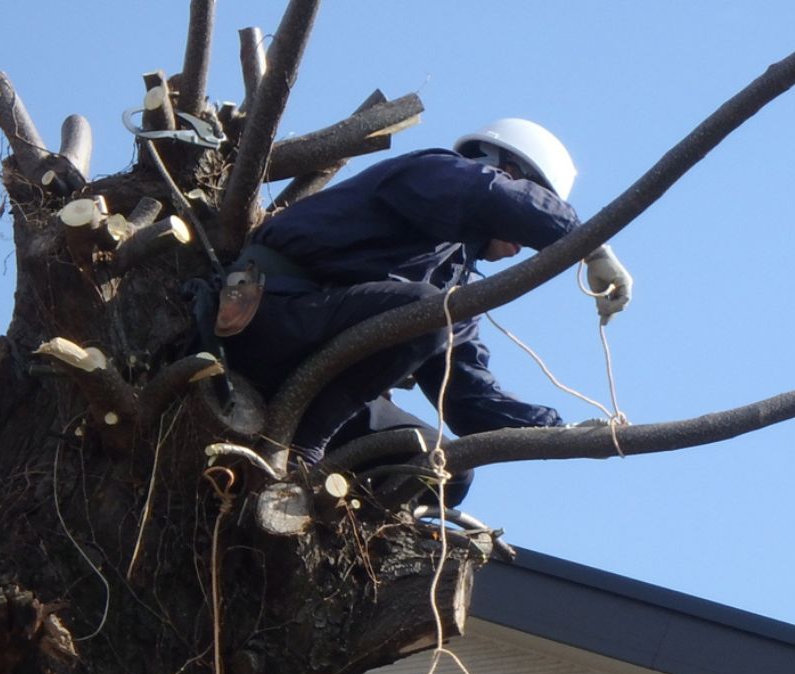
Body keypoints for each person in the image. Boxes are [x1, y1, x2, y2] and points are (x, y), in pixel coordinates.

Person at [219, 118, 633, 505]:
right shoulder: (432, 173)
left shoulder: (453, 292)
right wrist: (589, 246)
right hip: (272, 316)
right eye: (538, 201)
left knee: (442, 468)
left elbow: (469, 399)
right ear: (506, 171)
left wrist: (559, 435)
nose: (521, 245)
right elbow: (485, 195)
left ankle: (321, 525)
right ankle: (300, 453)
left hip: (319, 374)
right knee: (425, 310)